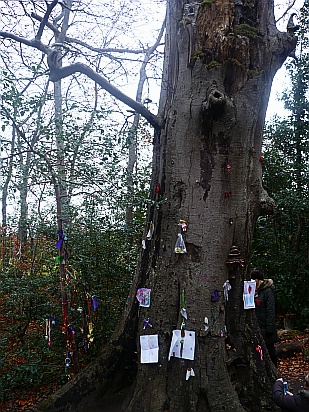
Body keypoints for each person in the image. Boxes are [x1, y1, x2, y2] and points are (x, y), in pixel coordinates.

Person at [250, 269, 278, 366]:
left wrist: (269, 327)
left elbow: (270, 310)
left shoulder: (267, 291)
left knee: (270, 351)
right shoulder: (254, 292)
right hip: (258, 326)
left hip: (266, 327)